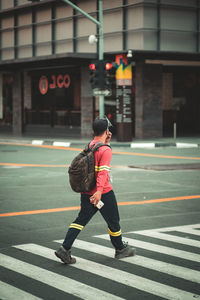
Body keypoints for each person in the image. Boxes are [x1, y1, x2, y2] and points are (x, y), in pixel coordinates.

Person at [55, 117, 136, 264]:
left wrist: (106, 141)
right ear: (106, 131)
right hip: (103, 193)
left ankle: (64, 249)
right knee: (113, 221)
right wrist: (99, 192)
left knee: (80, 220)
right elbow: (103, 172)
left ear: (93, 131)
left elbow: (95, 162)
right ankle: (120, 249)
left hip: (86, 192)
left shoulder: (91, 145)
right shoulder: (105, 150)